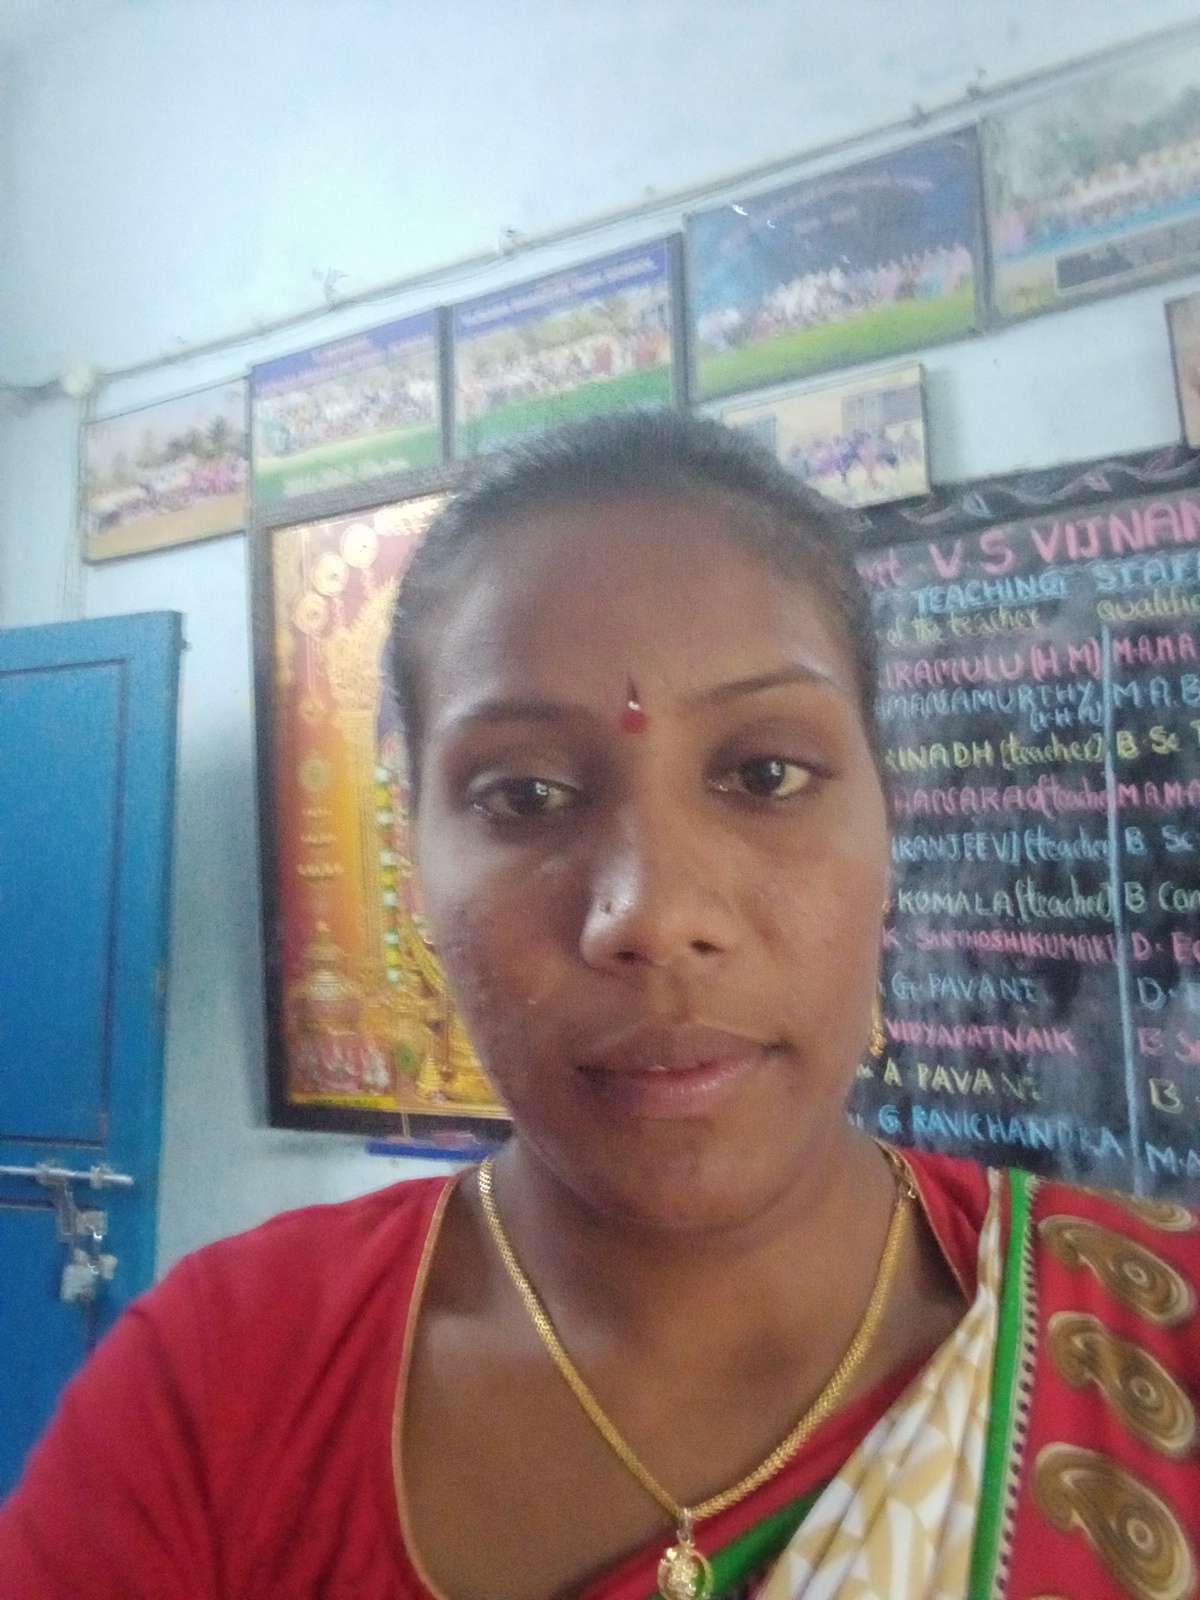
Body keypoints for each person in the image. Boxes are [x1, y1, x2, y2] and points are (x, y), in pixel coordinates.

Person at [3, 411, 1200, 1600]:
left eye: (766, 773)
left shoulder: (1160, 1344)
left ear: (889, 822)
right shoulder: (227, 1381)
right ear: (412, 865)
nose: (650, 914)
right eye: (524, 794)